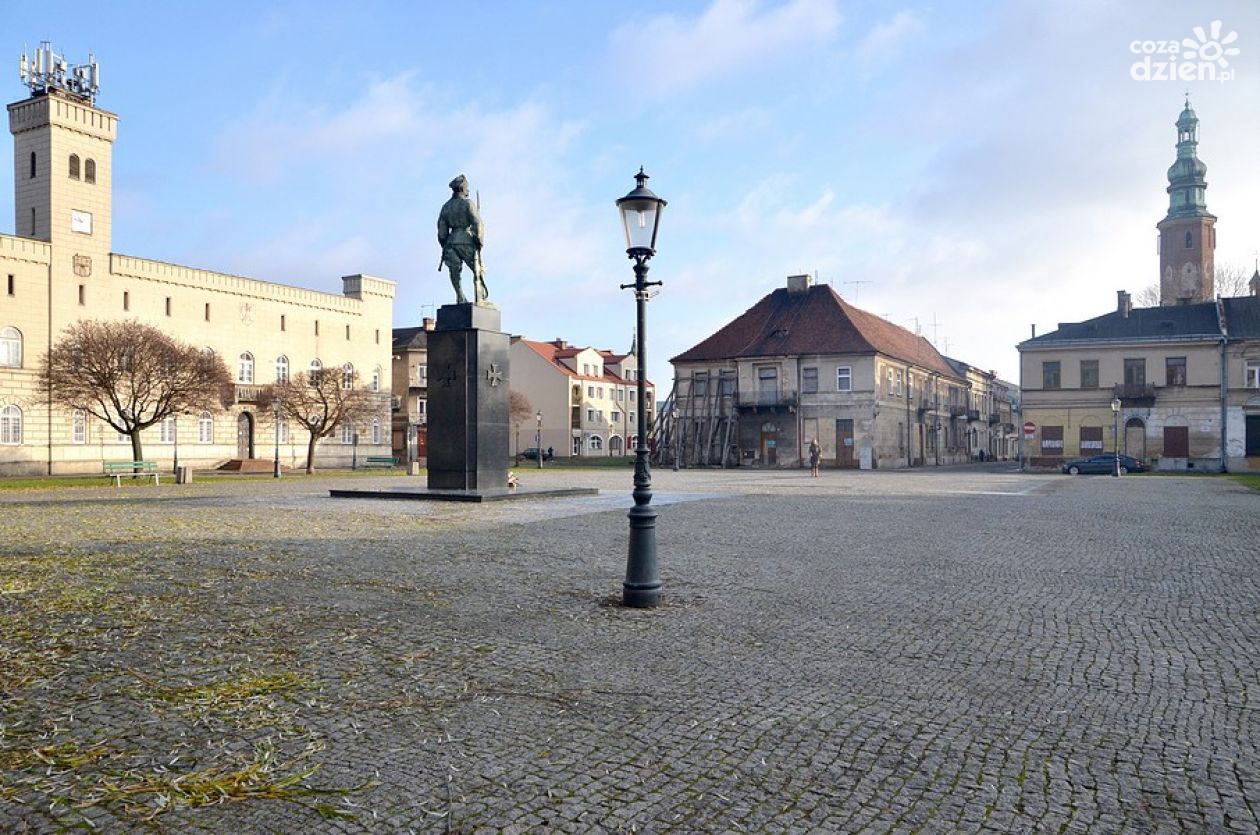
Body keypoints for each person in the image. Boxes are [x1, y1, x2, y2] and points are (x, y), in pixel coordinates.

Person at [436, 174, 488, 304]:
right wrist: (479, 240)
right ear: (462, 188)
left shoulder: (446, 207)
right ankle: (480, 298)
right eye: (466, 188)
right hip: (466, 240)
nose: (468, 190)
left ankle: (460, 296)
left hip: (450, 243)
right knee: (479, 269)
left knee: (455, 271)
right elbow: (478, 223)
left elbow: (442, 231)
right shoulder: (468, 203)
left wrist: (445, 244)